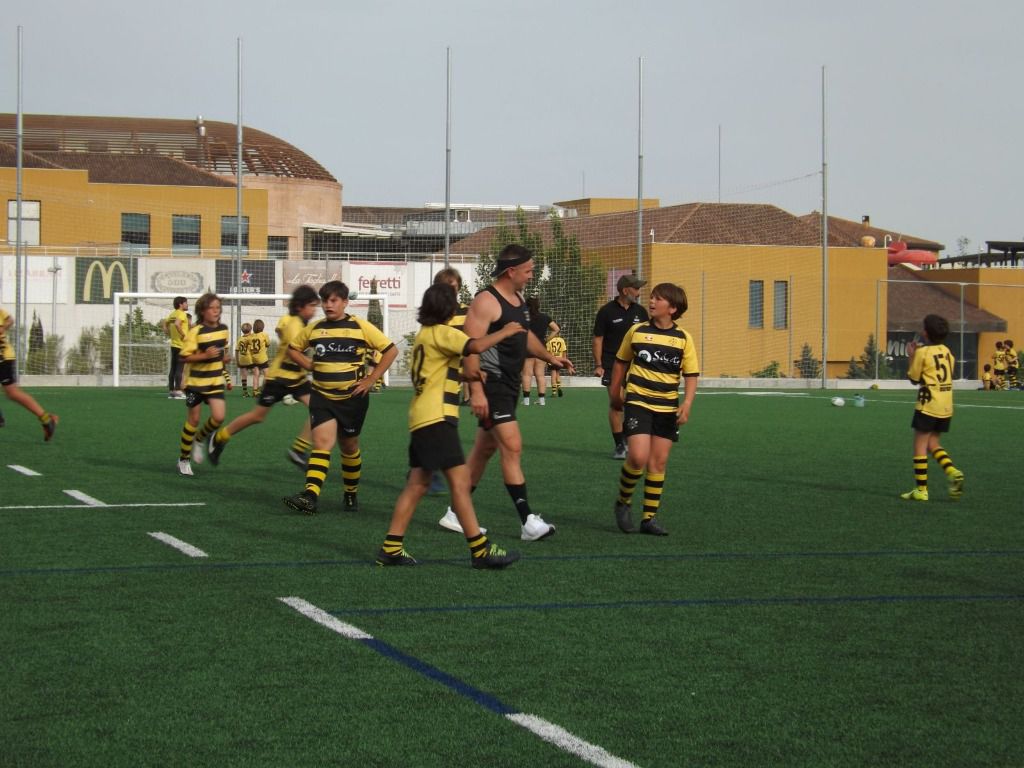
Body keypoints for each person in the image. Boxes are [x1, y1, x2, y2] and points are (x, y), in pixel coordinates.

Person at [376, 283, 525, 569]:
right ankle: (480, 551)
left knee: (417, 484)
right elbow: (476, 346)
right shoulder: (444, 333)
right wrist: (505, 331)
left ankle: (391, 548)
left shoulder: (423, 336)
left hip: (421, 418)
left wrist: (471, 373)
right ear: (447, 308)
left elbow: (446, 366)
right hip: (437, 420)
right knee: (459, 483)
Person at [438, 244, 573, 540]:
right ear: (511, 271)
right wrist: (476, 390)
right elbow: (469, 347)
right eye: (528, 270)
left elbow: (525, 338)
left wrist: (551, 358)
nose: (531, 275)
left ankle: (454, 513)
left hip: (510, 384)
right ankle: (528, 522)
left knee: (484, 450)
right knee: (512, 447)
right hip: (493, 384)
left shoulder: (519, 298)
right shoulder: (486, 301)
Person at [281, 280, 398, 515]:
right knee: (322, 444)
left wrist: (371, 379)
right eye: (325, 301)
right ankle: (310, 496)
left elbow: (391, 350)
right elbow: (293, 348)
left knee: (349, 446)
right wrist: (310, 365)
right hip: (322, 397)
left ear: (345, 302)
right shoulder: (315, 328)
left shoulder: (360, 326)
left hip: (352, 399)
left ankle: (350, 493)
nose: (328, 305)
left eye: (333, 300)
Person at [610, 283, 699, 536]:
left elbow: (691, 374)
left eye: (658, 299)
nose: (651, 301)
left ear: (672, 308)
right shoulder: (636, 331)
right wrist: (615, 393)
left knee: (658, 462)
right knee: (637, 456)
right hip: (637, 401)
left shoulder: (684, 338)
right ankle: (623, 501)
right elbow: (620, 363)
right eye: (652, 297)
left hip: (667, 406)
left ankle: (648, 518)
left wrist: (688, 403)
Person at [206, 286, 321, 470]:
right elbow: (294, 354)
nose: (315, 310)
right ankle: (219, 437)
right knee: (257, 416)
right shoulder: (294, 325)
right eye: (312, 305)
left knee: (319, 409)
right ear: (300, 306)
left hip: (296, 378)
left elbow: (282, 333)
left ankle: (298, 450)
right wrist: (314, 365)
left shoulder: (296, 322)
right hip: (279, 379)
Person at [900, 314, 964, 502]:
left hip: (928, 404)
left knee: (920, 446)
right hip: (945, 405)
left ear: (925, 333)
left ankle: (921, 490)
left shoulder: (922, 353)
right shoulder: (948, 352)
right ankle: (952, 471)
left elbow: (913, 378)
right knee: (932, 444)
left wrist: (911, 357)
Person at [593, 274, 649, 459]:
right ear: (626, 290)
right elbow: (598, 339)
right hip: (612, 364)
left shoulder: (641, 312)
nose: (639, 293)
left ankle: (626, 440)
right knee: (617, 404)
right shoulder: (606, 312)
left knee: (633, 406)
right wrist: (599, 364)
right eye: (636, 289)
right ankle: (619, 446)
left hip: (636, 365)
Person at [175, 293, 231, 476]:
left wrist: (224, 359)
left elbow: (221, 353)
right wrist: (204, 356)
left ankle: (200, 438)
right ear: (202, 311)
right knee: (194, 420)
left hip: (214, 381)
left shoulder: (224, 329)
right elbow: (184, 357)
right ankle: (183, 459)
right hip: (196, 383)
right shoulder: (195, 331)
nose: (216, 311)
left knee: (219, 416)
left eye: (218, 308)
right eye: (212, 308)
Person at [0, 306, 58, 440]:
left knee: (12, 393)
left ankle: (47, 420)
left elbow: (9, 320)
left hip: (3, 357)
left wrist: (3, 328)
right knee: (12, 393)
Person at [520, 296, 559, 406]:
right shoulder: (545, 317)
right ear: (538, 306)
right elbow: (556, 329)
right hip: (541, 348)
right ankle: (542, 400)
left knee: (527, 374)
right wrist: (547, 339)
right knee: (540, 374)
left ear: (526, 306)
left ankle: (526, 400)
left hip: (528, 347)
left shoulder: (524, 318)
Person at [162, 296, 189, 399]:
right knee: (179, 369)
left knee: (173, 368)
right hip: (181, 345)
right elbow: (178, 324)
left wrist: (167, 331)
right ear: (180, 304)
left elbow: (165, 322)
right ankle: (178, 391)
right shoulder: (181, 314)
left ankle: (171, 391)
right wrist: (183, 335)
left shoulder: (172, 314)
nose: (187, 305)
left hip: (173, 345)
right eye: (186, 303)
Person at [250, 319, 270, 396]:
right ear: (262, 327)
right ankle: (265, 390)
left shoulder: (251, 336)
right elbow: (268, 343)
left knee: (256, 374)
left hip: (254, 358)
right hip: (262, 358)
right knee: (267, 374)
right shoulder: (264, 335)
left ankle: (255, 391)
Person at [545, 330, 568, 398]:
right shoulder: (562, 340)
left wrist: (548, 360)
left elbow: (548, 351)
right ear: (559, 333)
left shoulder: (549, 340)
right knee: (558, 374)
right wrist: (564, 360)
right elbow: (564, 351)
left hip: (552, 359)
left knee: (553, 375)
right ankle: (559, 387)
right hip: (560, 359)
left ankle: (554, 392)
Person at [234, 323, 254, 396]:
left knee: (244, 375)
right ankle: (256, 390)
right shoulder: (251, 338)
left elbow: (236, 351)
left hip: (242, 359)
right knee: (256, 372)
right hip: (250, 359)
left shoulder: (240, 339)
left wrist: (237, 361)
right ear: (250, 330)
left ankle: (245, 392)